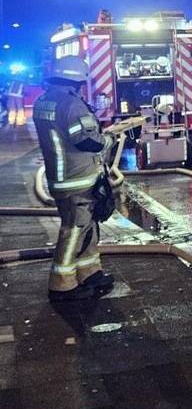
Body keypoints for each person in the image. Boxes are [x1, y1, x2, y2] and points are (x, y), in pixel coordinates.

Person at [33, 56, 117, 301]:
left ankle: (90, 273)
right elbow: (87, 140)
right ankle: (63, 286)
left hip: (62, 177)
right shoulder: (71, 103)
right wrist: (113, 139)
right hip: (76, 178)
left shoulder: (45, 100)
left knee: (86, 228)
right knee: (74, 231)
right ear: (77, 79)